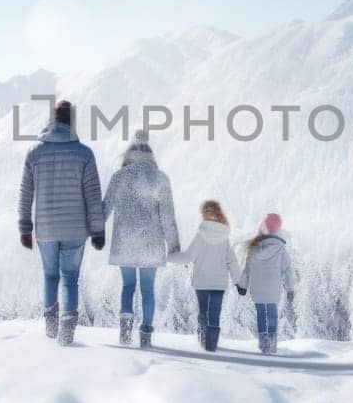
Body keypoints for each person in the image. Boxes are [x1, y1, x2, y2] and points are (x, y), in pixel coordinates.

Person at [18, 100, 105, 347]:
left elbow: (26, 193)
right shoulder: (84, 153)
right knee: (70, 278)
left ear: (52, 120)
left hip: (45, 228)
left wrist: (25, 227)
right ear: (72, 122)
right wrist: (98, 230)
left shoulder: (34, 153)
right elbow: (93, 195)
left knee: (49, 275)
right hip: (76, 229)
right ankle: (67, 326)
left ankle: (50, 322)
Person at [102, 129, 179, 348]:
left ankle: (125, 330)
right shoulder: (160, 178)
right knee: (147, 288)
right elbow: (168, 216)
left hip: (124, 242)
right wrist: (173, 244)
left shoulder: (118, 177)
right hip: (151, 243)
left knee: (128, 286)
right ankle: (145, 333)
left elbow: (105, 209)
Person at [172, 199, 238, 352]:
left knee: (203, 312)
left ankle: (203, 342)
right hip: (219, 283)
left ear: (204, 214)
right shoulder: (224, 237)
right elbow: (232, 261)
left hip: (201, 282)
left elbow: (187, 257)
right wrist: (239, 282)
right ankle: (211, 346)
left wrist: (167, 257)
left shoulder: (201, 236)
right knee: (214, 313)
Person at [236, 212, 296, 355]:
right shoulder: (280, 248)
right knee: (272, 314)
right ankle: (272, 346)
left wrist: (242, 286)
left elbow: (247, 269)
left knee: (261, 314)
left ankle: (264, 345)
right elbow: (287, 270)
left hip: (257, 289)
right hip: (273, 289)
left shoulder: (253, 247)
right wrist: (290, 288)